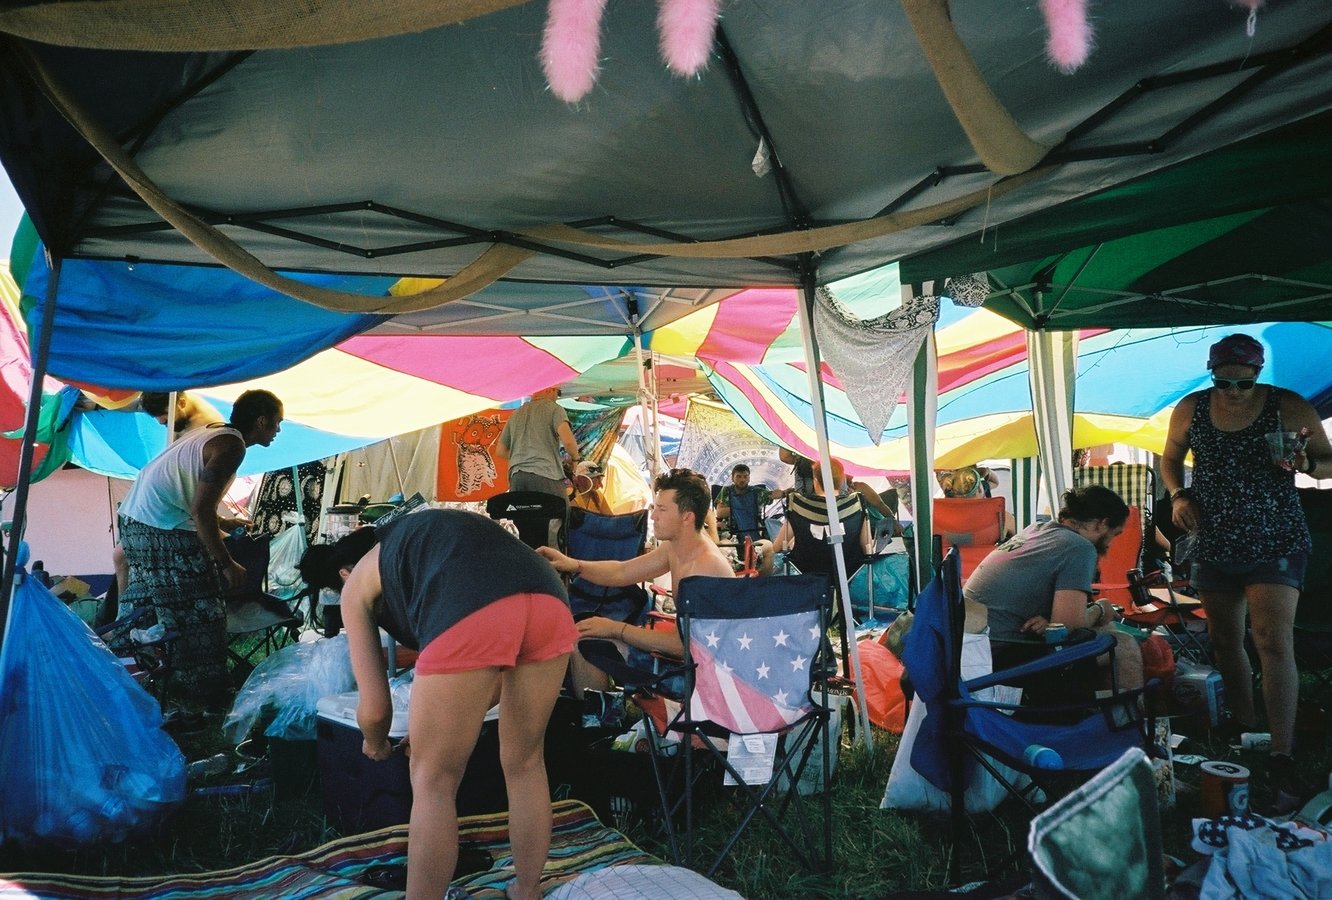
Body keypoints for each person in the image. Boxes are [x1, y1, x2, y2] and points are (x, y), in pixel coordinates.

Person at [298, 510, 577, 900]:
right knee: (526, 761)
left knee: (433, 781)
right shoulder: (419, 542)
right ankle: (527, 890)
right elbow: (494, 673)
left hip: (468, 606)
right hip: (550, 599)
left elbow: (375, 710)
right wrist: (438, 722)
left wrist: (375, 742)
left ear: (343, 574)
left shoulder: (356, 585)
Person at [1162, 333, 1330, 810]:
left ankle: (1281, 750)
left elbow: (1327, 463)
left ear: (1258, 373)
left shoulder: (1288, 406)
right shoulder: (1191, 409)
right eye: (1224, 382)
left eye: (1243, 382)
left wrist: (1307, 462)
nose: (1234, 391)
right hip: (1215, 537)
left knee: (1272, 641)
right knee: (1224, 639)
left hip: (1276, 536)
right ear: (1212, 373)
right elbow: (1170, 458)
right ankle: (1246, 726)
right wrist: (1178, 495)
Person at [116, 390, 283, 707]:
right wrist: (226, 563)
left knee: (144, 605)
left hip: (136, 522)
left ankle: (126, 679)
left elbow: (186, 495)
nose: (278, 430)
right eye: (277, 422)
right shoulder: (231, 446)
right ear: (261, 421)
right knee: (200, 609)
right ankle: (206, 694)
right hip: (160, 528)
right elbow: (200, 508)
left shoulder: (212, 432)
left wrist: (224, 522)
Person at [538, 468, 734, 694]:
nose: (653, 516)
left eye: (662, 509)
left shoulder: (704, 567)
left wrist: (615, 628)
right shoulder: (679, 545)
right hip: (692, 658)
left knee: (584, 641)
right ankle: (600, 708)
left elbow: (683, 646)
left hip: (704, 679)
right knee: (585, 635)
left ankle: (602, 713)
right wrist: (574, 565)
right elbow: (622, 572)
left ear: (687, 517)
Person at [963, 484, 1142, 696]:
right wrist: (1100, 609)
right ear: (1102, 524)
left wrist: (1052, 621)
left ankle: (1095, 711)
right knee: (1123, 646)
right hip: (998, 657)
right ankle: (1124, 717)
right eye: (1115, 534)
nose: (1111, 543)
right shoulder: (1079, 547)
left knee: (1108, 630)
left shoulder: (1036, 531)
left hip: (970, 653)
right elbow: (1068, 626)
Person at [771, 458, 872, 577]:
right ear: (841, 481)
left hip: (809, 574)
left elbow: (777, 547)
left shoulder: (799, 506)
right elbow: (867, 548)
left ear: (816, 481)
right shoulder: (856, 504)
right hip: (849, 572)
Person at [496, 385, 579, 507]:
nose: (557, 397)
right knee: (558, 511)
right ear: (549, 389)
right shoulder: (554, 409)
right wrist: (575, 459)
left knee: (523, 515)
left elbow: (500, 451)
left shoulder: (516, 413)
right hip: (545, 474)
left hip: (517, 477)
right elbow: (569, 442)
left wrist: (524, 456)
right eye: (558, 392)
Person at [715, 463, 778, 544]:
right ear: (732, 478)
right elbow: (719, 513)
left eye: (745, 476)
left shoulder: (756, 491)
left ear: (749, 478)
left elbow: (772, 495)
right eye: (739, 476)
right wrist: (741, 508)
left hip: (754, 530)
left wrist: (784, 493)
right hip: (731, 533)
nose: (742, 480)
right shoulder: (727, 491)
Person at [139, 390, 224, 434]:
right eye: (155, 415)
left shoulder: (207, 426)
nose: (160, 422)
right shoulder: (171, 401)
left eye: (164, 414)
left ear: (182, 403)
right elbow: (134, 405)